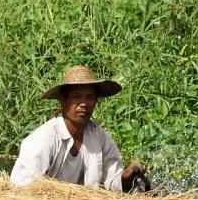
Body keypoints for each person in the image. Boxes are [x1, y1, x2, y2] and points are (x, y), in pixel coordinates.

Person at [10, 66, 147, 191]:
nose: (84, 104)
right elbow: (24, 187)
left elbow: (113, 184)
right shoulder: (43, 139)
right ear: (63, 102)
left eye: (90, 98)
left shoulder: (100, 138)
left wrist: (127, 177)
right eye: (76, 97)